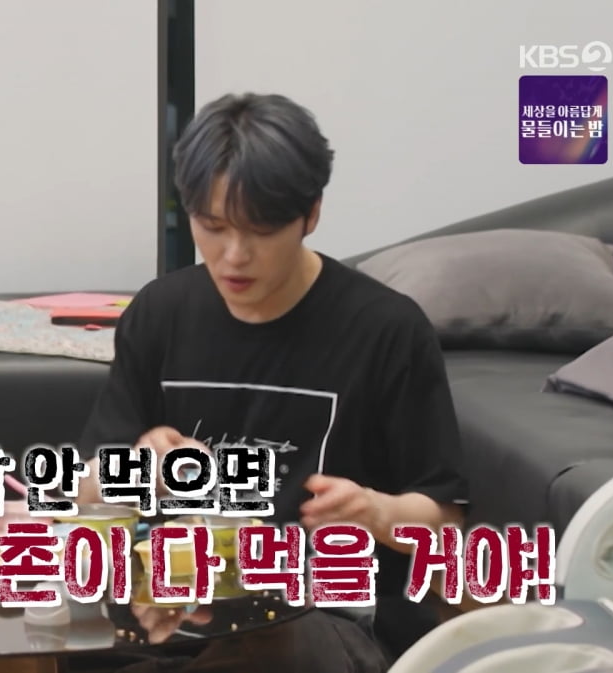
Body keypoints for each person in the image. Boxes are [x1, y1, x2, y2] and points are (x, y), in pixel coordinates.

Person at [72, 92, 468, 671]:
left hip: (326, 618)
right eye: (212, 227)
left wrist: (376, 511)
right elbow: (84, 491)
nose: (234, 256)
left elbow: (445, 522)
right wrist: (137, 468)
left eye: (260, 231)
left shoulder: (386, 328)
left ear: (311, 214)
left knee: (271, 649)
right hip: (175, 604)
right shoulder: (160, 313)